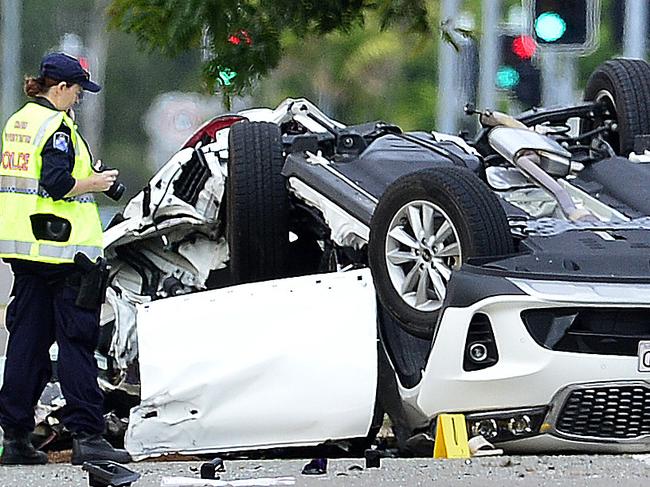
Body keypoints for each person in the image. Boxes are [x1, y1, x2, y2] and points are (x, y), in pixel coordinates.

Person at [0, 52, 131, 465]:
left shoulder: (20, 121)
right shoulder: (56, 126)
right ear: (60, 88)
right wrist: (94, 182)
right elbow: (56, 182)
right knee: (76, 343)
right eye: (76, 91)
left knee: (27, 344)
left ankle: (16, 437)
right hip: (64, 253)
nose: (77, 99)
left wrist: (92, 175)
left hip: (27, 251)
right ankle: (88, 437)